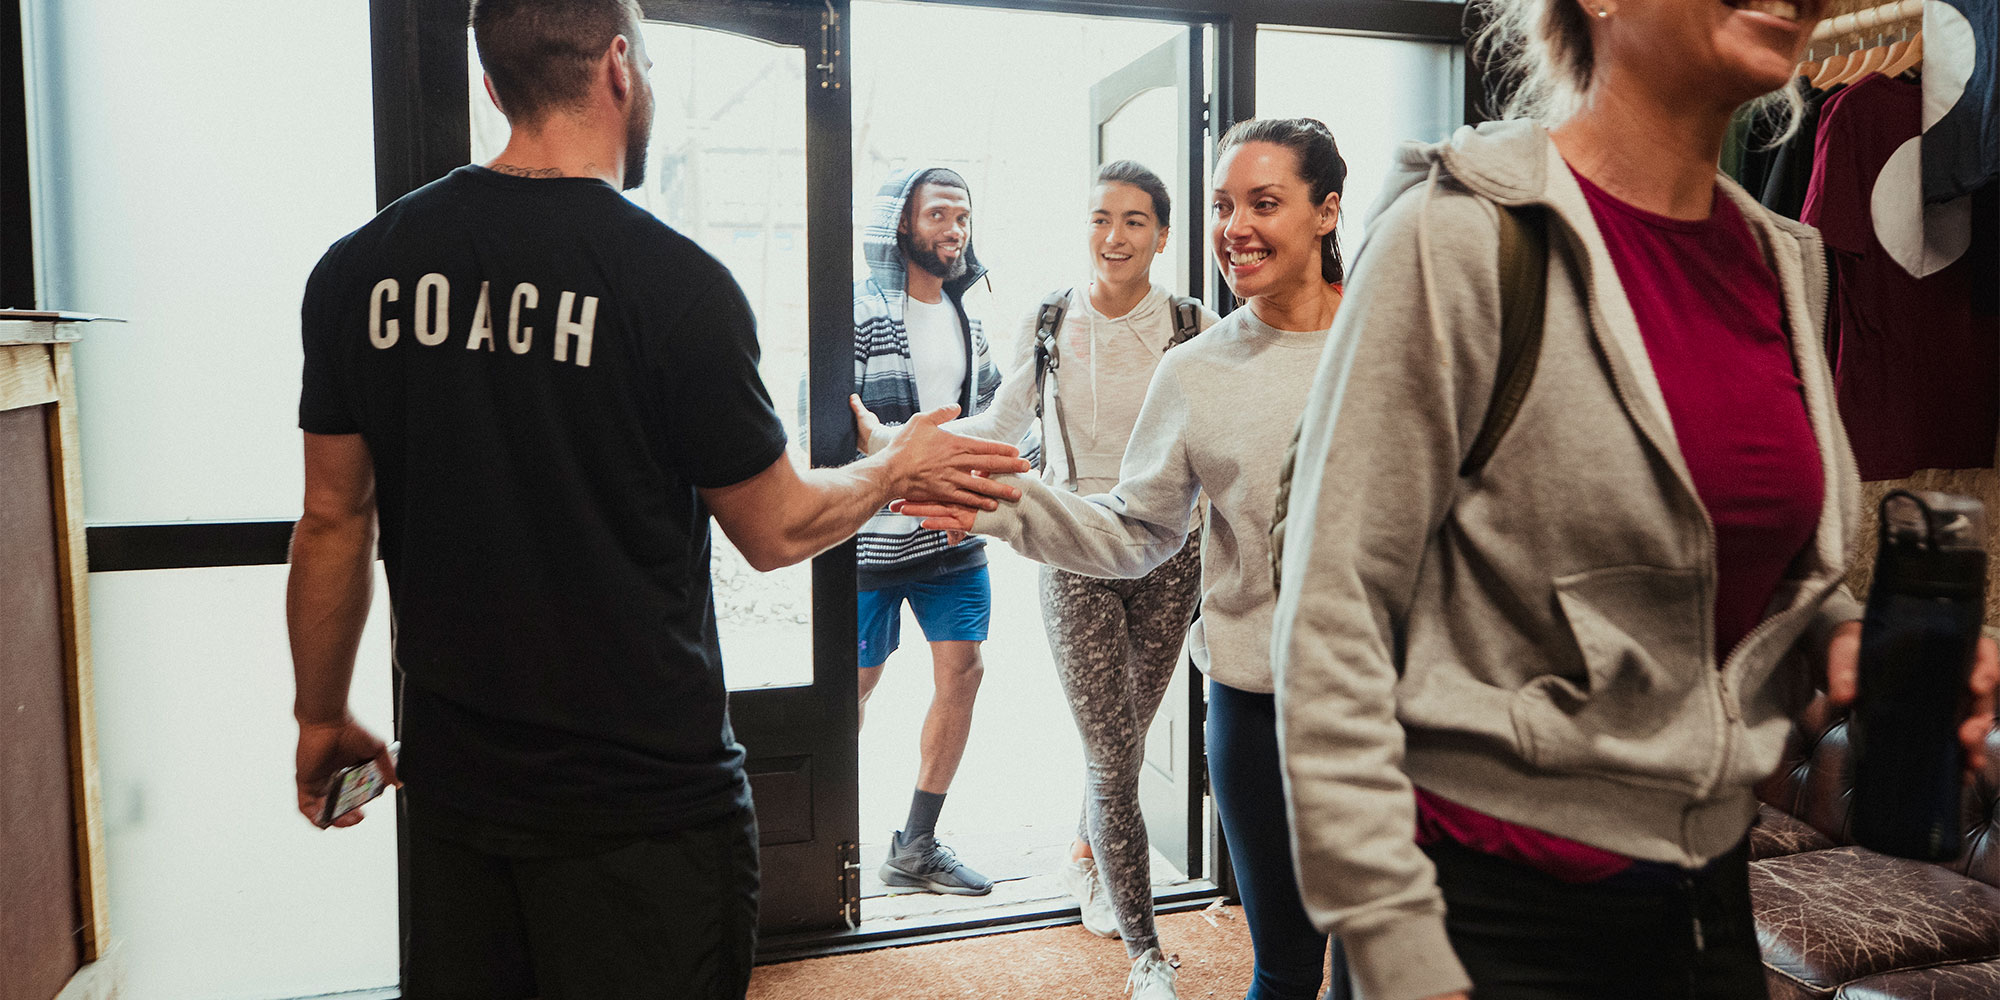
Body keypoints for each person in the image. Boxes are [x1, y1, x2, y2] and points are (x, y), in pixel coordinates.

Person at [285, 3, 1028, 997]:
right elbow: (773, 528)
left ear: (494, 83)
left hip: (461, 797)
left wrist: (320, 715)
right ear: (620, 69)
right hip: (646, 808)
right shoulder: (674, 285)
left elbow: (333, 518)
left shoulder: (359, 272)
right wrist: (892, 470)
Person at [1267, 0, 2000, 998]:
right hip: (1483, 910)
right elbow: (1327, 622)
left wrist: (1833, 641)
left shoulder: (1782, 264)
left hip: (1701, 899)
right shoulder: (1459, 237)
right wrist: (1395, 949)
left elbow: (1732, 577)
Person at [896, 118, 1351, 1000]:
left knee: (1382, 969)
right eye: (1225, 205)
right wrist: (991, 498)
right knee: (1287, 970)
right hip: (1255, 707)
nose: (1238, 227)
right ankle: (1142, 945)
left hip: (1392, 707)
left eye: (1265, 202)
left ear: (1327, 211)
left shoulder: (1395, 341)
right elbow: (1137, 527)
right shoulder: (1199, 366)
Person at [856, 160, 1218, 991]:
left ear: (1163, 236)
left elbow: (1216, 444)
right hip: (1073, 551)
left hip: (1173, 558)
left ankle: (1085, 856)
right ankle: (1147, 958)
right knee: (1111, 751)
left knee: (1125, 737)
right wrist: (902, 448)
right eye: (1100, 218)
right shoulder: (1051, 318)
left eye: (1134, 221)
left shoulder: (1194, 324)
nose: (1114, 236)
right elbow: (1000, 423)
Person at [849, 166, 1008, 896]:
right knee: (853, 686)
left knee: (964, 674)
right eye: (939, 214)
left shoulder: (967, 315)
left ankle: (916, 844)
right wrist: (883, 450)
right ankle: (815, 841)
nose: (954, 230)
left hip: (953, 536)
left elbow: (1002, 411)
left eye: (963, 218)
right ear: (901, 226)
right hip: (870, 539)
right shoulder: (859, 311)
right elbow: (825, 420)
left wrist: (1005, 470)